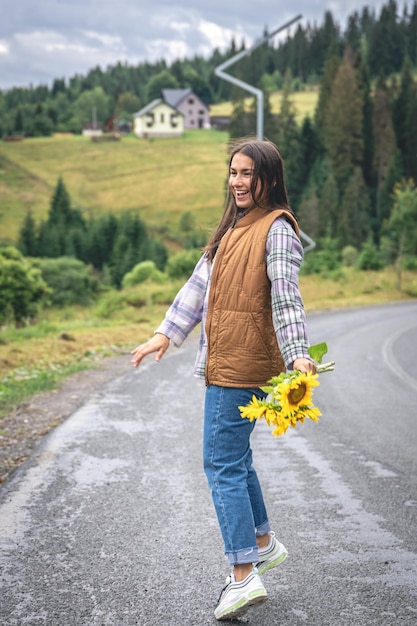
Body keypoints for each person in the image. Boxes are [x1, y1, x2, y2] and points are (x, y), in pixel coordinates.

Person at [131, 137, 316, 621]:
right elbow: (198, 287)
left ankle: (243, 574)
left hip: (242, 365)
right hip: (233, 362)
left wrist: (298, 354)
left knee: (220, 463)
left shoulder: (276, 229)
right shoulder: (234, 227)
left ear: (268, 179)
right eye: (233, 172)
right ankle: (262, 542)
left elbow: (286, 297)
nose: (236, 181)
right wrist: (163, 335)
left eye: (246, 174)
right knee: (235, 458)